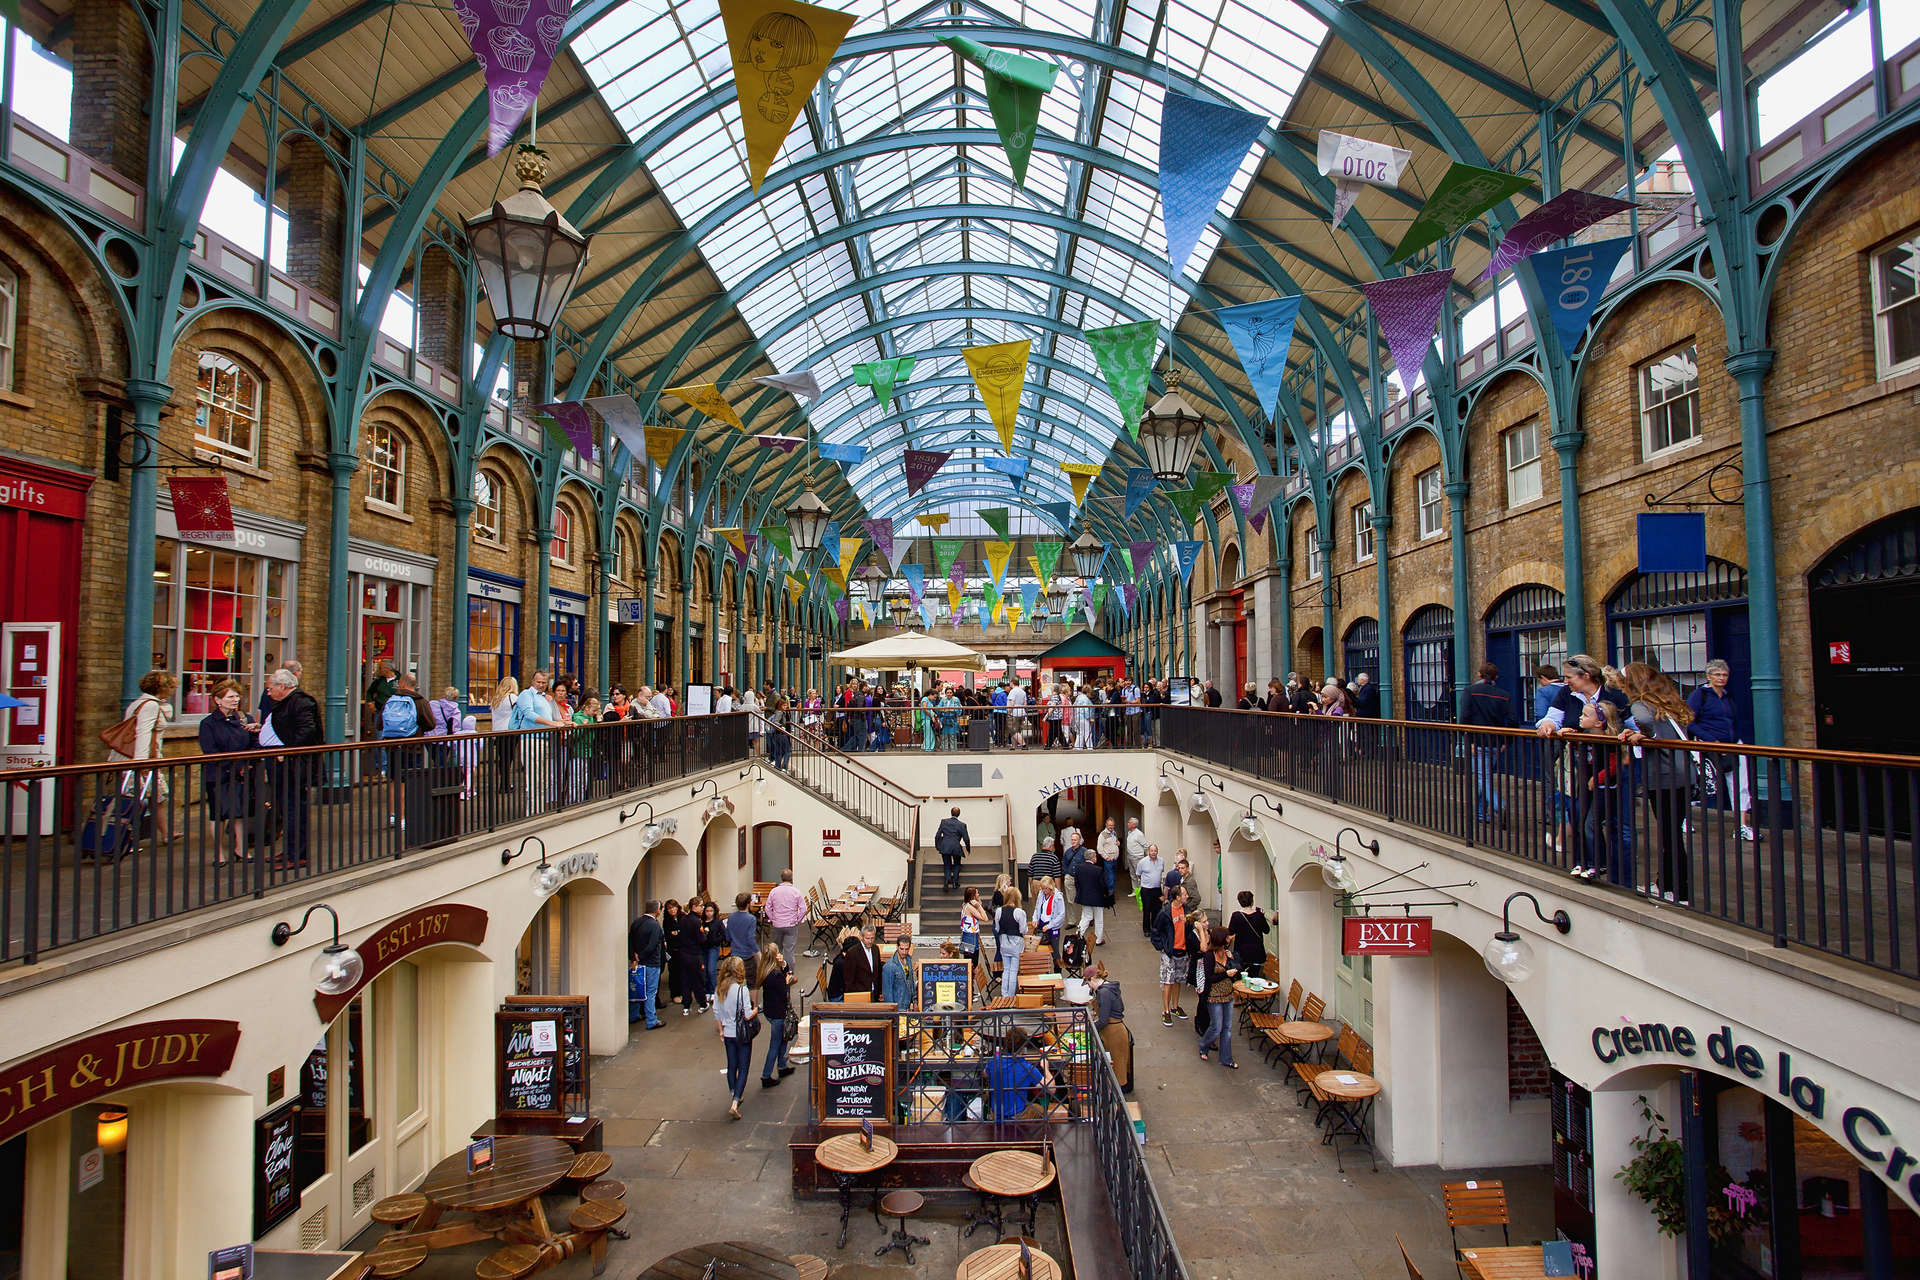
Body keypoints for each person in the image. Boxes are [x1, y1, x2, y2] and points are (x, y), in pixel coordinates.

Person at [1622, 662, 1695, 905]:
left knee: (1669, 833)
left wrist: (1644, 734)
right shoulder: (1669, 703)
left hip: (1664, 777)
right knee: (1671, 832)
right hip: (1684, 774)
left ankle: (1678, 890)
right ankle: (1667, 884)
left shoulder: (1642, 705)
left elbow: (1644, 720)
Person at [259, 667, 323, 866]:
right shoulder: (286, 703)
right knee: (288, 810)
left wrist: (287, 750)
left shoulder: (302, 702)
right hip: (285, 764)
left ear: (282, 686)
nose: (268, 692)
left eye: (270, 688)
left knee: (295, 810)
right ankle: (290, 851)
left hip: (295, 766)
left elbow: (307, 731)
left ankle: (297, 855)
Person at [1687, 658, 1754, 842]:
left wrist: (1736, 740)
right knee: (1699, 783)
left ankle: (1741, 826)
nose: (1721, 678)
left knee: (1740, 784)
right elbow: (1689, 721)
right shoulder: (1699, 695)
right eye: (1717, 674)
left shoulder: (1727, 696)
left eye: (1724, 675)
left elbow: (1733, 721)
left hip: (1732, 744)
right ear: (1709, 676)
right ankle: (1684, 819)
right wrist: (1710, 740)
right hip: (1708, 746)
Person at [198, 679, 257, 866]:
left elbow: (254, 743)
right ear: (218, 700)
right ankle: (218, 854)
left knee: (240, 812)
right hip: (218, 773)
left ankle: (241, 849)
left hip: (242, 773)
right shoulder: (208, 724)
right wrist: (233, 765)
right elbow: (210, 750)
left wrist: (247, 763)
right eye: (230, 697)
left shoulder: (245, 719)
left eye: (237, 696)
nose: (235, 700)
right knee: (218, 814)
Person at [1462, 662, 1512, 825]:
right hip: (1496, 742)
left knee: (1482, 778)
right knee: (1485, 777)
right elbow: (1512, 720)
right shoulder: (1503, 695)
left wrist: (1468, 740)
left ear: (1479, 674)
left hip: (1478, 741)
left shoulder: (1470, 691)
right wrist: (1507, 741)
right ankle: (1482, 814)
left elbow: (1465, 717)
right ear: (1496, 676)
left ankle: (1499, 805)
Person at [712, 956, 758, 1119]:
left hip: (728, 1032)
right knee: (743, 1067)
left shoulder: (719, 989)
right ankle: (735, 1101)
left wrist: (721, 1031)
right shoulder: (741, 990)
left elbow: (716, 1012)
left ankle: (734, 1092)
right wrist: (756, 1010)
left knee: (732, 1065)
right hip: (741, 1033)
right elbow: (747, 1015)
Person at [983, 1030, 1054, 1120]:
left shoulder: (993, 1061)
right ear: (1024, 1046)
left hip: (996, 1113)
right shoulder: (1026, 1067)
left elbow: (985, 1074)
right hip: (1017, 1114)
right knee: (1040, 1110)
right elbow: (1052, 1088)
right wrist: (1045, 1068)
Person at [1196, 929, 1241, 1068]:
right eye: (1227, 937)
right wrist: (1226, 974)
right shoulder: (1209, 956)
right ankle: (1204, 1044)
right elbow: (1209, 978)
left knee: (1227, 1028)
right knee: (1217, 1027)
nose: (1229, 939)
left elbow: (1239, 970)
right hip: (1213, 996)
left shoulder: (1228, 954)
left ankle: (1226, 1058)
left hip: (1228, 994)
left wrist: (1233, 960)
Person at [1152, 884, 1193, 1025]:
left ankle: (1175, 1007)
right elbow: (1156, 931)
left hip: (1183, 951)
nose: (1187, 896)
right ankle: (1166, 1010)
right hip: (1170, 953)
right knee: (1167, 982)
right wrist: (1163, 947)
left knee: (1177, 980)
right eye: (1185, 894)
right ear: (1177, 897)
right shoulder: (1165, 913)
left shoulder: (1186, 910)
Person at [757, 944, 796, 1086]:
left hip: (770, 1010)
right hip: (778, 1013)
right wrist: (787, 983)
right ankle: (766, 1075)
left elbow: (785, 971)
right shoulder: (775, 975)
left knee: (782, 1039)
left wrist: (783, 964)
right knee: (775, 1044)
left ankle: (782, 1066)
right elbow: (783, 993)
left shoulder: (766, 971)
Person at [1088, 962, 1131, 1092]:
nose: (1089, 987)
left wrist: (1090, 1026)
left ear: (1093, 979)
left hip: (1114, 1034)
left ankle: (1117, 1101)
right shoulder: (1110, 988)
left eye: (1088, 983)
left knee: (1117, 1069)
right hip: (1116, 1031)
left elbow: (1104, 1020)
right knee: (1119, 1067)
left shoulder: (1103, 993)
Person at [628, 900, 666, 1029]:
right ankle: (651, 1020)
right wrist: (641, 956)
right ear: (657, 911)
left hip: (637, 963)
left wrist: (634, 957)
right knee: (650, 992)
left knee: (637, 990)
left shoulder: (636, 922)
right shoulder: (655, 925)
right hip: (651, 963)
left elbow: (630, 941)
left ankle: (633, 1015)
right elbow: (653, 944)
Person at [673, 899, 709, 1015]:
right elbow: (701, 939)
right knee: (697, 980)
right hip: (694, 954)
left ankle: (686, 1006)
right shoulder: (696, 921)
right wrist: (705, 933)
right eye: (701, 905)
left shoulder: (683, 919)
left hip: (683, 954)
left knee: (685, 980)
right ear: (694, 906)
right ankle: (702, 1004)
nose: (702, 908)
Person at [764, 869, 805, 972]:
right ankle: (789, 973)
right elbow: (804, 908)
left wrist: (773, 919)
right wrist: (797, 920)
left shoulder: (774, 891)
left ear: (781, 878)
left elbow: (767, 908)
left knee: (777, 950)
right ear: (792, 878)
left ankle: (777, 972)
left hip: (777, 925)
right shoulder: (796, 892)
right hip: (791, 925)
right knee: (789, 951)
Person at [994, 887, 1028, 999]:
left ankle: (1004, 994)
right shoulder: (1019, 912)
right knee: (1014, 970)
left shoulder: (999, 911)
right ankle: (1011, 995)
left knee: (1006, 969)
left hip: (1004, 942)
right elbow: (1023, 930)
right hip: (1016, 943)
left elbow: (997, 928)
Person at [1072, 843, 1107, 946]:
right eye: (1095, 856)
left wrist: (1080, 893)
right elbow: (1102, 885)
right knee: (1099, 919)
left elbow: (1077, 883)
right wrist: (1105, 894)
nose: (1096, 858)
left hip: (1084, 897)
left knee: (1086, 917)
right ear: (1092, 858)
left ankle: (1079, 933)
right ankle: (1098, 939)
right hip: (1097, 899)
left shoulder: (1078, 868)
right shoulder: (1098, 870)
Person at [838, 922, 885, 1000]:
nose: (870, 941)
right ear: (862, 937)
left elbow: (878, 972)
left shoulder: (875, 949)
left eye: (872, 938)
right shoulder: (852, 953)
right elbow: (849, 979)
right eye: (867, 938)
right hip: (860, 995)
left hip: (874, 993)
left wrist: (879, 991)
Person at [1227, 890, 1269, 974]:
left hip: (1241, 952)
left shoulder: (1236, 915)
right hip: (1257, 952)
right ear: (1252, 901)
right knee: (1255, 976)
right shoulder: (1259, 915)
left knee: (1242, 977)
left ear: (1240, 902)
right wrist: (1262, 916)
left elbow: (1230, 932)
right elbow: (1266, 930)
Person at [1032, 875, 1066, 970]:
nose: (1044, 891)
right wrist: (1035, 919)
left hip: (1052, 926)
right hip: (1042, 924)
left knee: (1055, 951)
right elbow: (1037, 908)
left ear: (1051, 887)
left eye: (1046, 889)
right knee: (1041, 949)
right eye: (1042, 888)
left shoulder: (1058, 897)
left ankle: (1057, 972)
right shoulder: (1041, 894)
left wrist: (1050, 925)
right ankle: (1043, 969)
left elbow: (1061, 915)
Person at [934, 805, 971, 892]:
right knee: (957, 864)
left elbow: (937, 836)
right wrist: (968, 848)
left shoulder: (944, 822)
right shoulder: (962, 825)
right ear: (959, 814)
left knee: (947, 865)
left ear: (951, 813)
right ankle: (955, 883)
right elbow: (966, 838)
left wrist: (938, 846)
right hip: (956, 847)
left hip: (945, 846)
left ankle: (947, 880)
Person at [727, 892, 760, 983]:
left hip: (735, 954)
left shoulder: (731, 917)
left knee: (736, 981)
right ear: (748, 904)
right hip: (747, 955)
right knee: (752, 983)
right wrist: (758, 952)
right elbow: (750, 939)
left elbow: (728, 937)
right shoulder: (751, 919)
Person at [1135, 843, 1165, 938]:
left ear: (1157, 852)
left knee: (1157, 909)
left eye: (1155, 851)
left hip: (1157, 889)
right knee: (1147, 909)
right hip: (1146, 889)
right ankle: (1146, 929)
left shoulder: (1161, 861)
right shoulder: (1142, 862)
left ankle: (1155, 928)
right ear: (1148, 852)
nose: (1153, 853)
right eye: (1151, 851)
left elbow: (1161, 872)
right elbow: (1138, 874)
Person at [700, 901, 726, 996]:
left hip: (713, 947)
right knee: (705, 970)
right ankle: (707, 991)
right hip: (703, 948)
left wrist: (716, 941)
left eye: (711, 911)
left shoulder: (718, 922)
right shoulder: (701, 922)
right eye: (707, 911)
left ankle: (714, 990)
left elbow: (723, 934)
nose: (709, 913)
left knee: (711, 970)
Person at [958, 886, 987, 969]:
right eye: (977, 893)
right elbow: (985, 918)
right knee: (972, 962)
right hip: (970, 936)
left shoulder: (965, 905)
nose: (979, 894)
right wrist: (978, 906)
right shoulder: (970, 907)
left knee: (972, 961)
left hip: (970, 935)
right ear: (973, 895)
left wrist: (978, 902)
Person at [881, 939, 914, 1008]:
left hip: (907, 1005)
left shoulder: (908, 960)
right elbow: (887, 993)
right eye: (901, 949)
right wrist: (892, 1012)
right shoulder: (889, 966)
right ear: (897, 947)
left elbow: (910, 981)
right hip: (898, 1007)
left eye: (906, 949)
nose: (904, 952)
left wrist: (914, 1001)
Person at [1096, 817, 1121, 902]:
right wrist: (1106, 857)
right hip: (1108, 860)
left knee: (1113, 878)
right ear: (1106, 825)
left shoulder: (1114, 832)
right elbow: (1099, 848)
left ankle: (1110, 893)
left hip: (1115, 859)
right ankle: (1110, 897)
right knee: (1110, 878)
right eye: (1110, 825)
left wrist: (1118, 843)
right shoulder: (1102, 835)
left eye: (1113, 825)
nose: (1111, 827)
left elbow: (1116, 842)